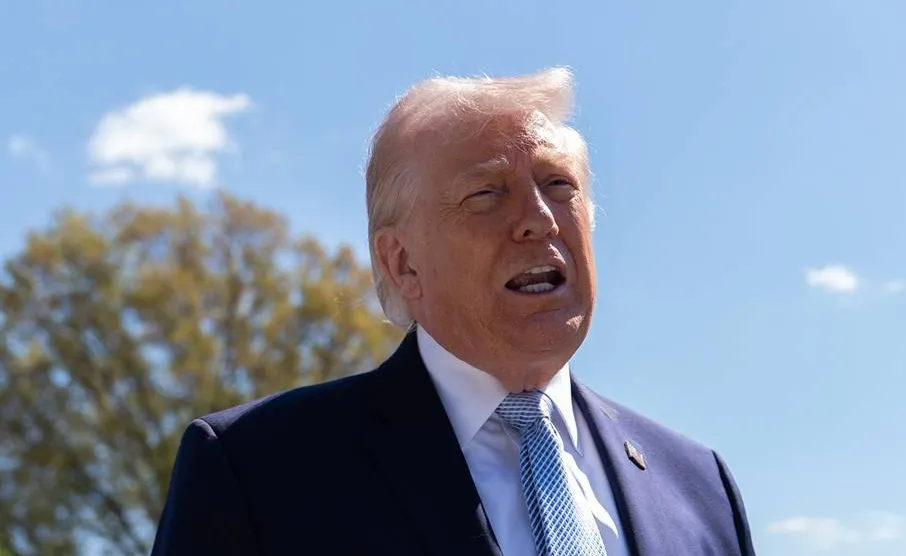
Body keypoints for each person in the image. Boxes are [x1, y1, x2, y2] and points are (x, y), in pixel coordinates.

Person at [151, 67, 756, 556]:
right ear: (402, 264)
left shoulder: (699, 486)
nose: (539, 219)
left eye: (559, 185)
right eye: (487, 193)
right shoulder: (258, 469)